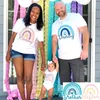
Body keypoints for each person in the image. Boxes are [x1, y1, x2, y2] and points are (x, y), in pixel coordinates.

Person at [6, 3, 46, 100]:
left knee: (28, 78)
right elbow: (13, 37)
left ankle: (28, 98)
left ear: (39, 15)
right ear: (29, 12)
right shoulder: (20, 22)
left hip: (29, 53)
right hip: (17, 51)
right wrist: (8, 52)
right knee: (19, 77)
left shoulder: (39, 27)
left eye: (37, 13)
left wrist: (43, 62)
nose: (34, 14)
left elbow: (41, 46)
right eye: (33, 11)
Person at [52, 1, 89, 85]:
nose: (59, 10)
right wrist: (54, 54)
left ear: (65, 7)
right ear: (55, 11)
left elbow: (85, 32)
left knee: (79, 84)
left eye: (61, 8)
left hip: (76, 56)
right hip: (62, 58)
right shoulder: (55, 24)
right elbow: (54, 40)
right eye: (57, 9)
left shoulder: (75, 17)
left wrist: (85, 50)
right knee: (65, 85)